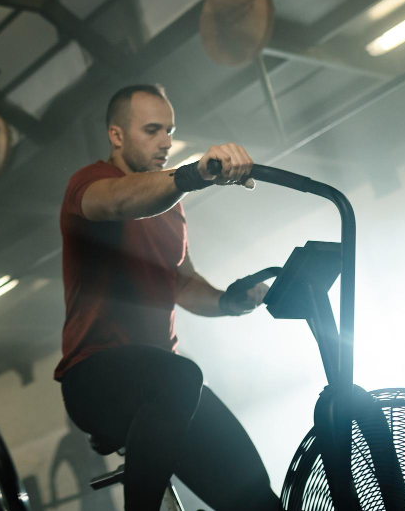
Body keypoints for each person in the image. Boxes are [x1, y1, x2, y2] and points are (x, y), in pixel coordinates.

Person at [55, 84, 279, 511]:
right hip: (95, 377)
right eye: (152, 130)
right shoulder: (89, 183)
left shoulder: (171, 207)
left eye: (169, 130)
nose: (165, 142)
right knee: (181, 376)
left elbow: (183, 285)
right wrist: (193, 175)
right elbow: (121, 202)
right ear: (117, 136)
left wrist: (229, 302)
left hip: (166, 385)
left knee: (256, 497)